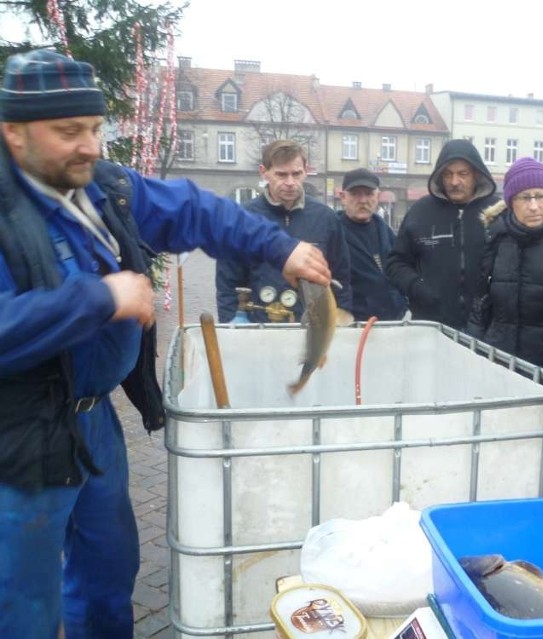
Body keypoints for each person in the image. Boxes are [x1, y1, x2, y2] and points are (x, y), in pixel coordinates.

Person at [0, 49, 331, 639]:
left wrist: (279, 248)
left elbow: (193, 208)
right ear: (14, 132)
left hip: (93, 420)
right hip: (20, 433)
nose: (91, 146)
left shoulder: (101, 188)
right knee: (22, 601)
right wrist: (101, 299)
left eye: (96, 129)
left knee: (109, 572)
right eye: (69, 131)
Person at [467, 157, 543, 372]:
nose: (534, 206)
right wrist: (475, 347)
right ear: (510, 201)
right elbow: (482, 298)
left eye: (540, 196)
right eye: (525, 197)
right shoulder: (496, 235)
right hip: (499, 357)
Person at [216, 139, 352, 322]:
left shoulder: (326, 218)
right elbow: (227, 283)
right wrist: (231, 327)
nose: (290, 182)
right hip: (258, 328)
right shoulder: (243, 219)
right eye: (281, 175)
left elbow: (341, 277)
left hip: (311, 327)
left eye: (296, 174)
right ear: (264, 173)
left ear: (306, 170)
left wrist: (337, 326)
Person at [385, 139, 499, 329]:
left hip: (486, 327)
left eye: (463, 174)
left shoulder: (496, 211)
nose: (454, 182)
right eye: (447, 175)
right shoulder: (420, 212)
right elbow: (395, 263)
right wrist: (417, 287)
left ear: (476, 175)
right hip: (431, 326)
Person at [337, 168, 406, 320]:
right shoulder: (333, 233)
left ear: (378, 196)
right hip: (353, 325)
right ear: (343, 197)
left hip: (392, 321)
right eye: (355, 194)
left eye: (368, 194)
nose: (363, 200)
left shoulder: (386, 232)